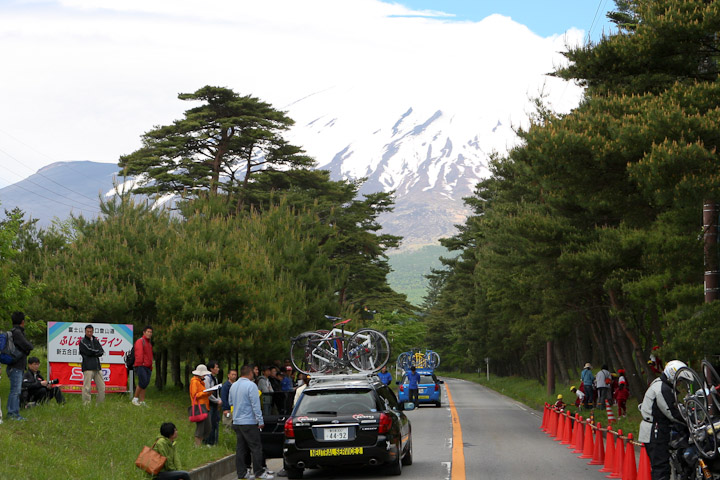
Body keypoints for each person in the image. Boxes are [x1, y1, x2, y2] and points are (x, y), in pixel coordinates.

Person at [639, 360, 687, 480]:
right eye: (679, 379)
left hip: (656, 429)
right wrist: (689, 421)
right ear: (672, 374)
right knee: (661, 468)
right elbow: (672, 412)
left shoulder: (662, 384)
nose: (680, 383)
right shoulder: (662, 388)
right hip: (654, 431)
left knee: (661, 466)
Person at [229, 364, 274, 479]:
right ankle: (259, 472)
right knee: (256, 447)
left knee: (241, 448)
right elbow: (255, 404)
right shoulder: (251, 385)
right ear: (250, 373)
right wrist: (260, 420)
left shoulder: (233, 386)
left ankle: (242, 473)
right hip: (249, 421)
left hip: (237, 421)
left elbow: (230, 402)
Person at [7, 312, 33, 420]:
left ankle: (14, 413)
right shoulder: (17, 333)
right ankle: (12, 414)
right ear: (23, 322)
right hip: (16, 366)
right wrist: (28, 346)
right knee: (15, 391)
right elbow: (28, 346)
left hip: (16, 366)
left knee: (16, 390)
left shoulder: (14, 332)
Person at [79, 324, 105, 405]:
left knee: (102, 387)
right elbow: (88, 351)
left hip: (97, 367)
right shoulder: (82, 341)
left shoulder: (95, 340)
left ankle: (100, 404)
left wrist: (95, 352)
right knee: (87, 387)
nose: (89, 333)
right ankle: (86, 404)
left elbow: (101, 351)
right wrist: (96, 352)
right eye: (88, 331)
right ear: (85, 331)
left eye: (91, 331)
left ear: (93, 331)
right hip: (88, 367)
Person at [189, 364, 212, 447]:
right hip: (199, 407)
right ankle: (197, 445)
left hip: (205, 406)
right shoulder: (194, 382)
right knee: (201, 427)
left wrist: (209, 392)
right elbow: (195, 395)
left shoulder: (200, 382)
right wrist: (205, 392)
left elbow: (202, 394)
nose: (205, 375)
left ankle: (200, 444)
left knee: (207, 427)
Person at [132, 325, 154, 406]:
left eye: (151, 332)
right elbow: (139, 354)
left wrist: (150, 366)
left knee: (145, 384)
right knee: (143, 382)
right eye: (148, 332)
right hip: (141, 365)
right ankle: (135, 399)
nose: (149, 333)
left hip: (148, 366)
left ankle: (142, 401)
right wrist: (141, 364)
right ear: (144, 332)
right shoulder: (140, 341)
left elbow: (150, 356)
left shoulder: (149, 344)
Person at [204, 360, 222, 445]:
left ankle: (213, 441)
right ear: (211, 369)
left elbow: (216, 391)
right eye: (216, 367)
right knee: (209, 423)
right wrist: (216, 400)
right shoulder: (207, 378)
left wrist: (219, 399)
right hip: (209, 404)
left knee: (215, 422)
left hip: (215, 404)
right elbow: (208, 393)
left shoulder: (215, 378)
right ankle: (207, 441)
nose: (218, 369)